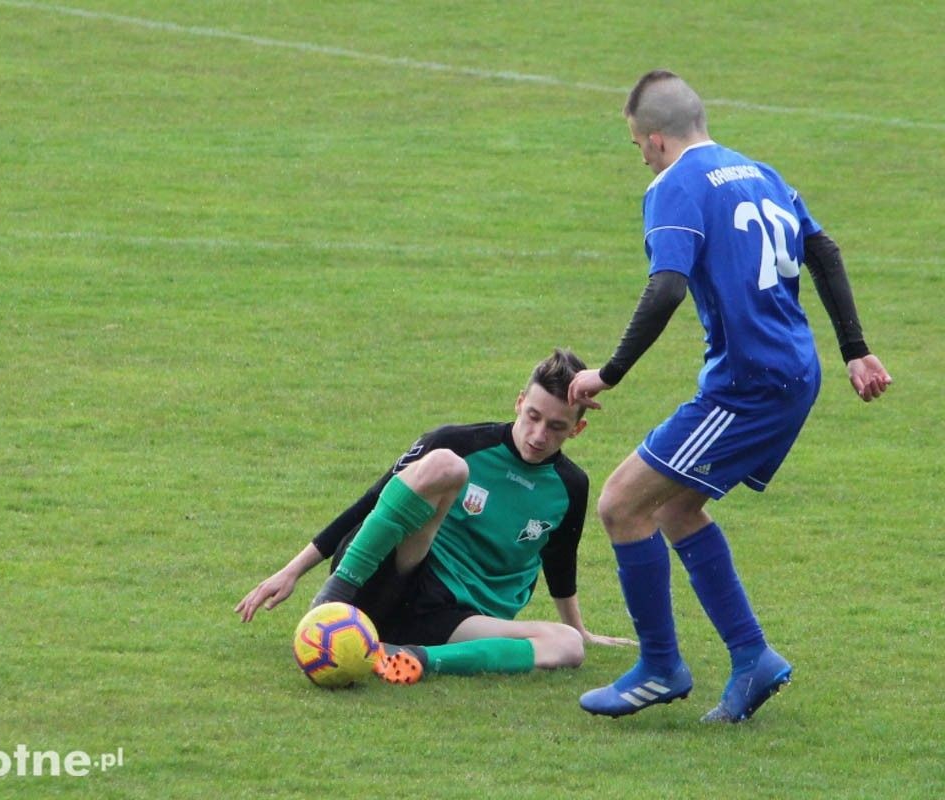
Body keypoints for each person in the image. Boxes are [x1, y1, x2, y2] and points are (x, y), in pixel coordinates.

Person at [567, 70, 892, 722]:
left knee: (621, 503)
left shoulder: (674, 186)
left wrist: (609, 373)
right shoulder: (759, 173)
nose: (641, 159)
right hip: (791, 373)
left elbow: (666, 288)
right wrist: (855, 347)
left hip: (749, 385)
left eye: (637, 147)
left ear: (655, 141)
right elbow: (823, 249)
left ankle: (660, 665)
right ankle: (753, 659)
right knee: (676, 509)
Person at [236, 348, 633, 684]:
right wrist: (292, 571)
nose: (538, 434)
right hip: (392, 577)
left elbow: (560, 564)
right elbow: (371, 503)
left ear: (577, 429)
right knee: (446, 465)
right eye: (532, 416)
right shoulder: (460, 442)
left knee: (567, 646)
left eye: (556, 426)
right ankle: (332, 599)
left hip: (456, 620)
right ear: (518, 403)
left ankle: (411, 659)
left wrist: (579, 628)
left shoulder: (571, 485)